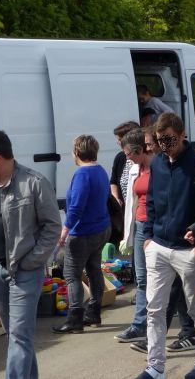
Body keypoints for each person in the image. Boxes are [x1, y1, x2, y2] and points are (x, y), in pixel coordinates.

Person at [0, 130, 62, 379]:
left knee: (19, 335)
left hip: (24, 272)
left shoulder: (34, 182)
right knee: (16, 335)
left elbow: (52, 227)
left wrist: (33, 260)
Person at [136, 113, 195, 379]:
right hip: (158, 247)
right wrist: (147, 238)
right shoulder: (157, 164)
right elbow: (151, 199)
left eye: (169, 140)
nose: (164, 145)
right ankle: (155, 367)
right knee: (154, 308)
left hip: (189, 251)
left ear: (181, 135)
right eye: (159, 140)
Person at [52, 135, 112, 334]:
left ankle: (75, 318)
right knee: (94, 270)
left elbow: (76, 207)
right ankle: (94, 312)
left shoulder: (82, 175)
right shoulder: (101, 170)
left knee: (72, 275)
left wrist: (64, 231)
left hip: (83, 232)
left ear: (76, 152)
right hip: (101, 228)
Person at [117, 128, 154, 345]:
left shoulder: (158, 167)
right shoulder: (134, 168)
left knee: (160, 279)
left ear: (140, 150)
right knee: (141, 279)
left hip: (156, 228)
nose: (127, 158)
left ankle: (184, 326)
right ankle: (139, 324)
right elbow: (131, 199)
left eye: (129, 153)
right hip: (140, 226)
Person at [109, 121, 140, 246]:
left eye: (120, 139)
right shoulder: (120, 158)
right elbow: (114, 181)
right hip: (126, 211)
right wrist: (116, 197)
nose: (118, 142)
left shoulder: (141, 159)